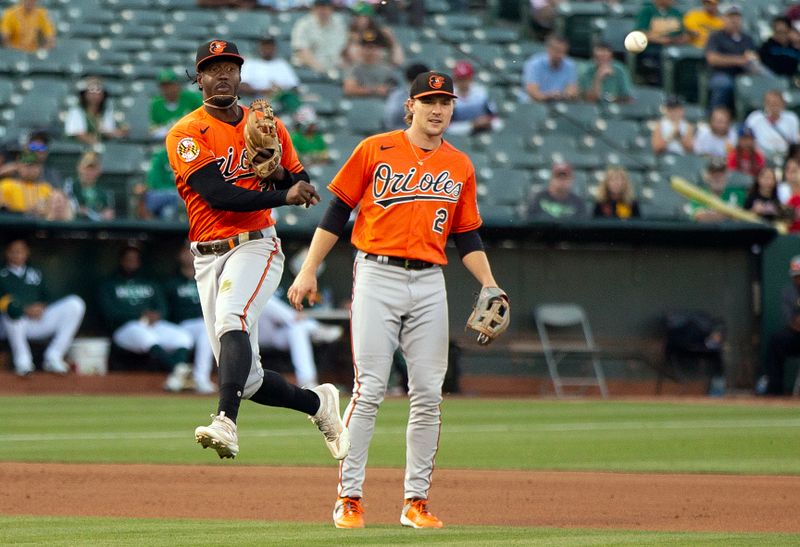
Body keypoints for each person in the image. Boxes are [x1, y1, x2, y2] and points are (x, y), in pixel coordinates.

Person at [287, 70, 506, 530]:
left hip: (430, 281)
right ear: (411, 106)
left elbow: (467, 235)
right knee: (369, 390)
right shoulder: (375, 148)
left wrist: (490, 284)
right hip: (376, 274)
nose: (437, 108)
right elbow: (336, 210)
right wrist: (308, 269)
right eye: (429, 100)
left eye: (445, 101)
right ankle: (348, 497)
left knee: (428, 395)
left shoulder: (460, 165)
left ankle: (416, 501)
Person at [165, 39, 348, 461]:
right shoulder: (187, 132)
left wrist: (280, 170)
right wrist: (283, 194)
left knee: (233, 318)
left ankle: (225, 421)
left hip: (256, 245)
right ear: (199, 78)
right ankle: (319, 404)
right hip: (207, 254)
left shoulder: (267, 123)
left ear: (242, 75)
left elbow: (300, 184)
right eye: (212, 68)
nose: (223, 74)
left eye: (230, 66)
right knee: (248, 380)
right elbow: (217, 194)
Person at [98, 244, 194, 391]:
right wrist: (138, 315)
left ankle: (176, 376)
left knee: (183, 337)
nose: (132, 263)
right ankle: (179, 369)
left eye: (135, 260)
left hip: (151, 325)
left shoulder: (149, 283)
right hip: (125, 328)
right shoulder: (109, 284)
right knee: (146, 337)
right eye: (128, 259)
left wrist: (157, 315)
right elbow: (109, 312)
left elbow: (162, 307)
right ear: (121, 261)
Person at [0, 239, 85, 376]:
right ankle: (23, 361)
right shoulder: (2, 273)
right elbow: (3, 302)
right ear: (7, 253)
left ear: (27, 253)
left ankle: (54, 356)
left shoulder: (35, 273)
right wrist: (24, 309)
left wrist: (41, 306)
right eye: (13, 251)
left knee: (75, 304)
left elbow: (48, 296)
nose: (17, 254)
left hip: (35, 320)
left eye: (20, 251)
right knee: (10, 311)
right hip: (9, 325)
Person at [257, 292, 343, 388]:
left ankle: (307, 381)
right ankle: (313, 327)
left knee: (297, 329)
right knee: (263, 299)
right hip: (252, 336)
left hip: (271, 331)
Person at [163, 245, 216, 394]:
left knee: (207, 328)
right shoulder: (172, 282)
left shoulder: (205, 278)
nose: (190, 254)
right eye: (186, 250)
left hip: (201, 325)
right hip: (179, 326)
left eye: (193, 251)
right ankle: (198, 378)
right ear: (179, 255)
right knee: (206, 328)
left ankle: (201, 378)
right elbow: (165, 309)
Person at [704, 5, 762, 114]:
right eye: (730, 17)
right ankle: (715, 117)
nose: (734, 20)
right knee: (723, 84)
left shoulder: (747, 38)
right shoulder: (716, 36)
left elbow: (754, 57)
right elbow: (712, 59)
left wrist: (752, 61)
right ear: (723, 19)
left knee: (760, 82)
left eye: (737, 17)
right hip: (721, 73)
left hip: (745, 73)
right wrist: (739, 60)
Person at [757, 255, 800, 395]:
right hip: (795, 336)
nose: (797, 279)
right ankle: (775, 390)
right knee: (776, 340)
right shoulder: (789, 292)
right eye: (796, 276)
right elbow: (790, 320)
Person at [239, 36, 301, 115]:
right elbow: (242, 86)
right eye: (265, 45)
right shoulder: (250, 63)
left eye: (270, 46)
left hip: (281, 101)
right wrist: (263, 91)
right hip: (256, 100)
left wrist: (280, 90)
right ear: (259, 47)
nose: (267, 48)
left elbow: (295, 87)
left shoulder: (282, 64)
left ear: (275, 48)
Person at [634, 0, 688, 85]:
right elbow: (641, 32)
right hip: (652, 48)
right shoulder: (647, 11)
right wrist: (662, 40)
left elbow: (683, 34)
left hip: (674, 46)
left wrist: (682, 39)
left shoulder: (676, 12)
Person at [64, 77, 128, 147]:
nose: (94, 96)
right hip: (78, 148)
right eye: (91, 92)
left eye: (98, 92)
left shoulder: (106, 111)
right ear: (84, 94)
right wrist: (96, 144)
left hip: (100, 148)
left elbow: (107, 131)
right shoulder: (76, 111)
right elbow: (78, 134)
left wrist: (118, 133)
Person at [290, 0, 349, 74]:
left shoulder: (338, 22)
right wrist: (322, 70)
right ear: (313, 9)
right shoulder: (303, 24)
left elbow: (345, 48)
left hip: (335, 68)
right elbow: (302, 52)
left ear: (331, 9)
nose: (323, 11)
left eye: (326, 8)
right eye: (319, 8)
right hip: (309, 70)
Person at [342, 2, 404, 68]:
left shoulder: (378, 30)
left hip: (379, 63)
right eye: (354, 16)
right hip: (360, 67)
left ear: (368, 17)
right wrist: (353, 41)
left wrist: (392, 40)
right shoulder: (349, 31)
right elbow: (350, 55)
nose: (356, 19)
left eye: (360, 16)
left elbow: (398, 60)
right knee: (352, 50)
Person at [342, 30, 400, 97]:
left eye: (373, 47)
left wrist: (387, 89)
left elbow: (395, 90)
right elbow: (348, 90)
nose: (370, 51)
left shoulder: (387, 69)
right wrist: (374, 90)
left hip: (381, 104)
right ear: (361, 48)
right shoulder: (353, 68)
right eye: (367, 47)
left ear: (379, 49)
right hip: (359, 103)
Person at [448, 60, 499, 136]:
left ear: (471, 78)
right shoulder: (448, 97)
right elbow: (448, 128)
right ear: (455, 79)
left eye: (466, 78)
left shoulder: (481, 93)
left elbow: (497, 121)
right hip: (459, 138)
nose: (463, 82)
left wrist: (487, 122)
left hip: (484, 132)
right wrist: (472, 125)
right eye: (460, 79)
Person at [744, 90, 800, 159]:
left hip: (785, 156)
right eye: (769, 103)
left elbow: (795, 142)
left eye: (776, 103)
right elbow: (746, 140)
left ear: (783, 104)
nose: (773, 106)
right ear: (764, 103)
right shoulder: (754, 118)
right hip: (761, 158)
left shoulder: (791, 119)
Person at [521, 35, 578, 103]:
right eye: (557, 51)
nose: (560, 55)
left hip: (559, 103)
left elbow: (572, 90)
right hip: (535, 104)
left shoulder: (570, 65)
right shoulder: (534, 64)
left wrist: (566, 95)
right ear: (549, 49)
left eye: (563, 52)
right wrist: (550, 96)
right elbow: (533, 92)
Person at [150, 69, 203, 140]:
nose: (167, 89)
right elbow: (154, 130)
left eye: (170, 85)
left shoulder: (192, 98)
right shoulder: (156, 104)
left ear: (178, 85)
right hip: (168, 141)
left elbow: (204, 119)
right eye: (164, 86)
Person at [689, 157, 746, 222]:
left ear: (727, 175)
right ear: (706, 176)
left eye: (721, 173)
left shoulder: (739, 194)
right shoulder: (699, 194)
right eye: (713, 173)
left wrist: (716, 214)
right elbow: (699, 217)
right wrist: (732, 213)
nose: (717, 177)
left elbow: (747, 216)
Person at [65, 151, 115, 221]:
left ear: (99, 170)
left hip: (98, 227)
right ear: (79, 168)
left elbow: (109, 213)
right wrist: (98, 215)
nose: (89, 172)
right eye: (86, 168)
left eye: (93, 169)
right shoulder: (70, 184)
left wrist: (87, 212)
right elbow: (71, 207)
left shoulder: (105, 190)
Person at [0, 151, 53, 217]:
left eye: (34, 166)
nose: (30, 169)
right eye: (27, 166)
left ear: (40, 168)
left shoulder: (46, 188)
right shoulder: (6, 185)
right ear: (18, 167)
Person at [384, 62, 429, 131]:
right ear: (409, 81)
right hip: (400, 132)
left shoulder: (434, 96)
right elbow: (391, 120)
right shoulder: (398, 95)